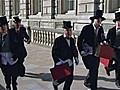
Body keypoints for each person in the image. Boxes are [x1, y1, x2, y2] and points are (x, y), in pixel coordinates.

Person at [77, 10, 106, 90]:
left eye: (100, 20)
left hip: (96, 52)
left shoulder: (100, 29)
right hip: (87, 53)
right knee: (92, 69)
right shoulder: (86, 28)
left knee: (95, 70)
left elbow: (102, 38)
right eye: (98, 20)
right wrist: (81, 51)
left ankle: (93, 86)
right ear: (94, 20)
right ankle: (88, 82)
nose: (99, 22)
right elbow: (79, 41)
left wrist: (104, 42)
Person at [52, 21, 79, 90]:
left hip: (70, 63)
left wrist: (76, 57)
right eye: (67, 30)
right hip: (61, 63)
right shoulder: (58, 40)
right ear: (64, 31)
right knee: (61, 77)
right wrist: (59, 61)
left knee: (70, 78)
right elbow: (54, 52)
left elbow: (74, 49)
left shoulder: (72, 40)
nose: (69, 32)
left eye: (70, 30)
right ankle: (56, 82)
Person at [0, 16, 19, 90]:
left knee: (14, 74)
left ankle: (14, 84)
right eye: (1, 26)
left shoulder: (12, 33)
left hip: (12, 56)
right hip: (2, 58)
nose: (3, 27)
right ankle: (8, 86)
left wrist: (16, 55)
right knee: (6, 75)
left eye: (5, 25)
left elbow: (18, 45)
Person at [105, 12, 120, 88]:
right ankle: (118, 81)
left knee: (118, 65)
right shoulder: (111, 31)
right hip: (113, 50)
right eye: (117, 22)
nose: (119, 23)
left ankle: (110, 68)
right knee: (119, 65)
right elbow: (107, 39)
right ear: (115, 23)